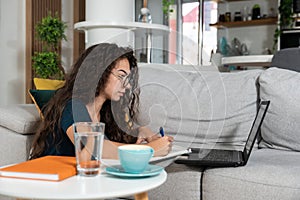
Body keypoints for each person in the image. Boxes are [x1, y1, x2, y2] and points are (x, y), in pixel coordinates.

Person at [29, 43, 173, 160]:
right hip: (53, 183)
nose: (128, 85)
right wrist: (151, 149)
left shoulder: (106, 112)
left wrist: (141, 131)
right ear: (99, 73)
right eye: (121, 76)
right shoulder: (73, 106)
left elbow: (111, 145)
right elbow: (93, 148)